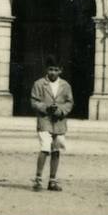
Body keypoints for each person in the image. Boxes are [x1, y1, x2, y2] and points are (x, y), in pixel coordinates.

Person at [30, 56, 74, 192]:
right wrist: (45, 108)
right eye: (50, 69)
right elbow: (34, 101)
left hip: (59, 122)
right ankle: (38, 179)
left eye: (56, 70)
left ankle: (52, 180)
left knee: (56, 149)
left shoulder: (65, 85)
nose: (53, 73)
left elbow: (69, 102)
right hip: (45, 120)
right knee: (45, 147)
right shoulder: (39, 84)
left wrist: (60, 111)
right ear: (46, 70)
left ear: (60, 70)